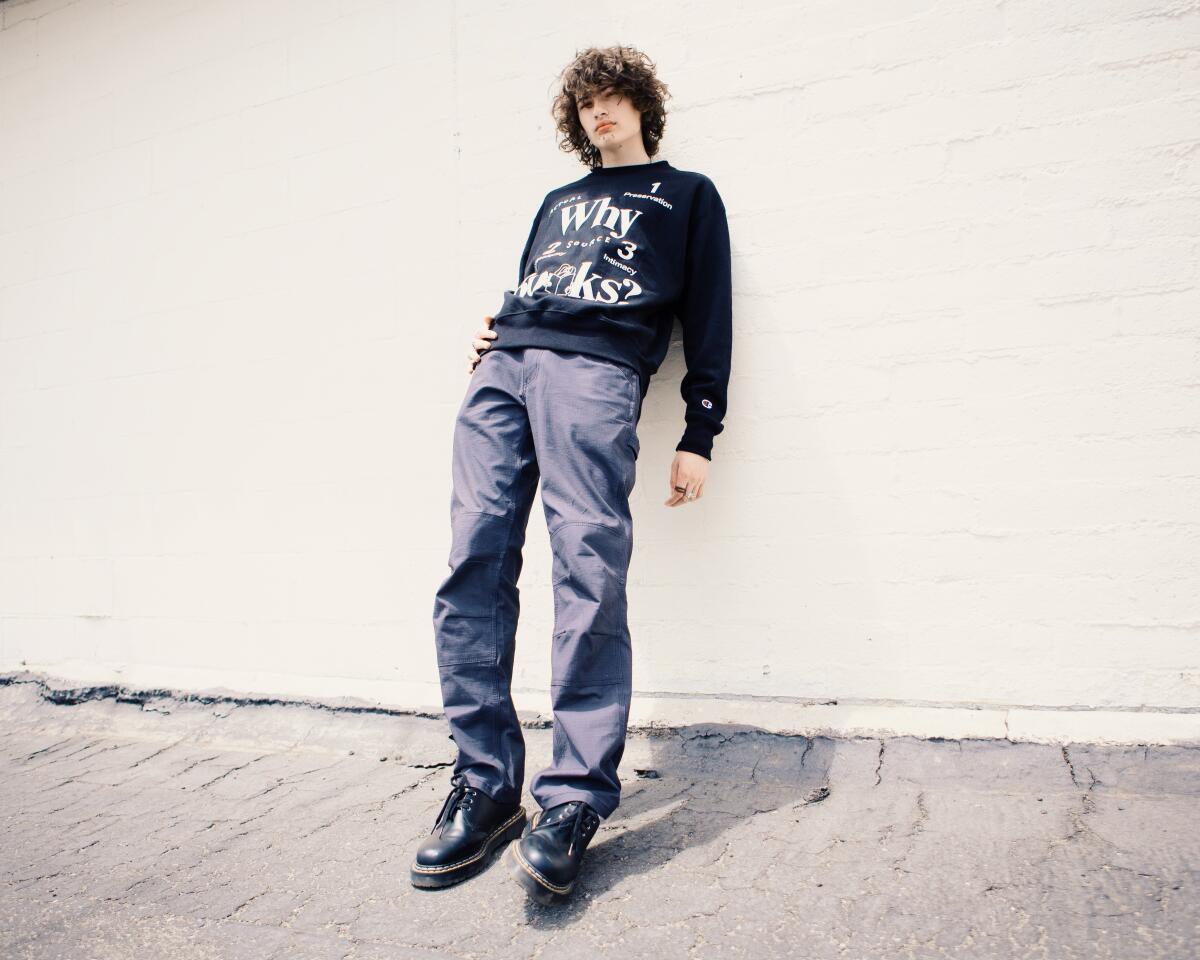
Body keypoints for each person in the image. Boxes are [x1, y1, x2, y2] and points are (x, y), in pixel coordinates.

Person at [410, 44, 733, 903]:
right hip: (504, 371)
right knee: (471, 562)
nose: (600, 112)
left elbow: (708, 314)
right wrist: (498, 328)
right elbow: (536, 284)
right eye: (586, 102)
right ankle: (484, 786)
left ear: (642, 106)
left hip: (596, 375)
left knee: (587, 567)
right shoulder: (559, 199)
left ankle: (575, 798)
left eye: (615, 96)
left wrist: (702, 427)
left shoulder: (686, 195)